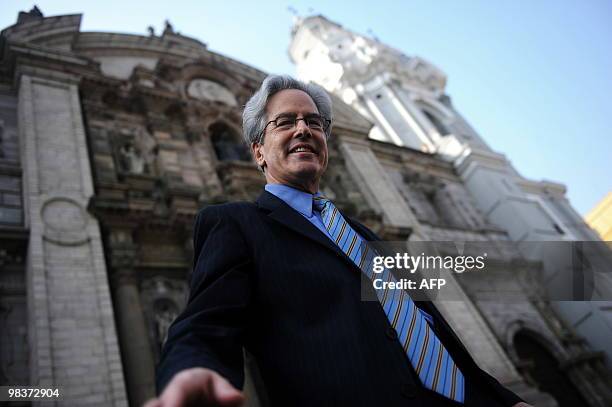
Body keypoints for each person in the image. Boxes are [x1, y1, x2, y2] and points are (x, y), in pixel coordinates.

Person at [146, 75, 533, 407]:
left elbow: (426, 329)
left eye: (313, 122)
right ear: (259, 151)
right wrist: (191, 369)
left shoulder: (366, 235)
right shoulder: (234, 224)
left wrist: (503, 398)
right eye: (285, 122)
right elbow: (206, 323)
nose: (304, 129)